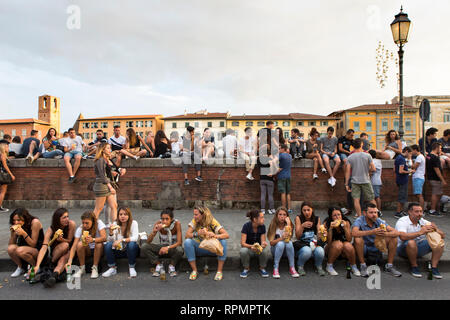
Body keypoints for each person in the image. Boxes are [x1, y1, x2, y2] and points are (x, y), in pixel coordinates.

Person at [395, 202, 445, 278]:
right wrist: (420, 232)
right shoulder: (402, 221)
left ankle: (433, 267)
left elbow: (443, 236)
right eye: (417, 211)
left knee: (439, 242)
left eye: (421, 211)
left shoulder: (423, 221)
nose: (420, 214)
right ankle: (414, 267)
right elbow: (403, 237)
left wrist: (436, 229)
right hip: (402, 249)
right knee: (411, 242)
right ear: (410, 212)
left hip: (417, 248)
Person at [352, 203, 401, 277]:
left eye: (375, 212)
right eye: (371, 212)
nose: (374, 215)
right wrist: (372, 232)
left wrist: (385, 234)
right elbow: (354, 233)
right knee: (357, 239)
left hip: (377, 246)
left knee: (393, 238)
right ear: (365, 213)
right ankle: (363, 266)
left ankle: (389, 266)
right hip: (364, 248)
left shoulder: (379, 220)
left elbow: (396, 232)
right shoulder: (359, 220)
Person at [33, 208, 76, 287]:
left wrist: (62, 239)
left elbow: (69, 241)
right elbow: (44, 247)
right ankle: (52, 263)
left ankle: (53, 276)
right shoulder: (51, 229)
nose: (67, 219)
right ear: (57, 219)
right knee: (64, 246)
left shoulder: (71, 224)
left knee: (63, 259)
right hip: (56, 253)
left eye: (67, 216)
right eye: (64, 217)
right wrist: (37, 265)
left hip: (69, 251)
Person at [184, 206, 229, 281]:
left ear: (203, 215)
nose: (194, 216)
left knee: (223, 241)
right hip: (200, 248)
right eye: (194, 214)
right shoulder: (195, 221)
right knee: (187, 242)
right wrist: (197, 234)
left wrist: (215, 235)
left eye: (196, 214)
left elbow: (226, 235)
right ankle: (194, 271)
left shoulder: (212, 221)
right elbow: (187, 235)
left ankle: (219, 271)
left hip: (213, 249)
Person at [141, 207, 184, 278]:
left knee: (180, 250)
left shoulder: (177, 224)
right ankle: (158, 265)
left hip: (172, 248)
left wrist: (167, 247)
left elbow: (179, 242)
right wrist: (154, 232)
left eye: (167, 219)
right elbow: (148, 242)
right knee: (144, 247)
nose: (164, 221)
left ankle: (172, 266)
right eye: (163, 219)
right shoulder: (158, 223)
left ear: (171, 219)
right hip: (161, 248)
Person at [66, 210, 107, 279]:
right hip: (88, 250)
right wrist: (69, 261)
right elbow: (74, 246)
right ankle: (82, 268)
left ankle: (95, 268)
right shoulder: (80, 228)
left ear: (93, 221)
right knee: (79, 244)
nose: (84, 225)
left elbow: (104, 238)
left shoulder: (99, 223)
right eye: (83, 223)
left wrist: (93, 240)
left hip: (99, 250)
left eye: (87, 223)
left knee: (98, 244)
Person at [102, 207, 140, 278]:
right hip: (119, 250)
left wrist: (122, 240)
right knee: (108, 245)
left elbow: (135, 238)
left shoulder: (134, 223)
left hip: (131, 250)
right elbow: (110, 240)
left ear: (129, 215)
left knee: (131, 244)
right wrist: (110, 233)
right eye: (121, 214)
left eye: (125, 214)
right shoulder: (115, 223)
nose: (123, 216)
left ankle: (131, 267)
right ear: (118, 216)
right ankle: (112, 268)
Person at [323, 206, 360, 276]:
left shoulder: (346, 222)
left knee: (348, 245)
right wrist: (330, 229)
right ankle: (329, 266)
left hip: (344, 249)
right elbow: (328, 242)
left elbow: (349, 239)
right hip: (331, 248)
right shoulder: (327, 223)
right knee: (338, 244)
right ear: (331, 217)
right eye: (334, 215)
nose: (337, 217)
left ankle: (353, 266)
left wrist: (345, 228)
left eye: (339, 215)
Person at [7, 208, 44, 278]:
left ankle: (35, 267)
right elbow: (11, 245)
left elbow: (33, 244)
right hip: (24, 248)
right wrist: (13, 234)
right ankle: (21, 268)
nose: (16, 223)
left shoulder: (35, 222)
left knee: (20, 250)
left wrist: (24, 233)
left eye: (18, 220)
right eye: (14, 220)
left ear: (25, 218)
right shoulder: (17, 225)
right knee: (10, 249)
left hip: (38, 249)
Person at [345, 138, 377, 218]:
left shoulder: (350, 157)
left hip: (354, 181)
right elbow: (373, 169)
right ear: (361, 144)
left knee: (356, 200)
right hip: (366, 180)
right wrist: (368, 168)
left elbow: (348, 172)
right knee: (371, 199)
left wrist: (346, 184)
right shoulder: (367, 155)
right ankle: (374, 215)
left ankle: (359, 217)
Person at [294, 202, 325, 276]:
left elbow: (318, 236)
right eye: (304, 210)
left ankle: (318, 266)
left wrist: (322, 233)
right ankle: (300, 266)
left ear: (312, 210)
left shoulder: (317, 219)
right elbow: (298, 236)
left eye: (308, 210)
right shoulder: (299, 218)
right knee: (307, 251)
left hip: (313, 243)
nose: (306, 212)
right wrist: (302, 226)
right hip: (301, 244)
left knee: (320, 251)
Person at [268, 207, 299, 278]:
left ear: (287, 216)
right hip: (275, 249)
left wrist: (288, 224)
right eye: (280, 214)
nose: (282, 217)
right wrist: (281, 238)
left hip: (286, 251)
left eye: (284, 215)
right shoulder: (273, 225)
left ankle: (292, 268)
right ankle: (275, 268)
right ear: (276, 215)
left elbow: (289, 238)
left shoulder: (288, 225)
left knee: (289, 243)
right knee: (281, 243)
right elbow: (271, 243)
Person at [239, 209, 270, 278]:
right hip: (249, 249)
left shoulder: (262, 227)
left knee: (265, 250)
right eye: (261, 217)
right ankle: (246, 268)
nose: (264, 219)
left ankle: (262, 268)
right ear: (255, 219)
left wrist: (263, 244)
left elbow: (263, 241)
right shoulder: (246, 226)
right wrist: (251, 246)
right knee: (243, 251)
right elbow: (243, 243)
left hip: (258, 250)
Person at [92, 143, 118, 222]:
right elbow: (102, 176)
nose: (110, 150)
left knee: (114, 206)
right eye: (108, 148)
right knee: (98, 208)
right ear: (102, 150)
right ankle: (91, 227)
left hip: (105, 185)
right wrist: (110, 187)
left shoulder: (105, 160)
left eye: (110, 148)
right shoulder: (100, 160)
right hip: (101, 186)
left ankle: (114, 227)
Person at [426, 142, 447, 217]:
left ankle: (433, 209)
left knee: (435, 193)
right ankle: (433, 210)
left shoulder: (428, 156)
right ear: (437, 148)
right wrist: (442, 180)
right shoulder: (435, 158)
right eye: (440, 148)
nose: (441, 150)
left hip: (431, 177)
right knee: (435, 194)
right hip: (436, 178)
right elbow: (437, 170)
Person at [394, 147, 413, 219]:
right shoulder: (402, 159)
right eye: (410, 153)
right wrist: (409, 171)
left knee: (402, 195)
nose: (410, 155)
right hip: (403, 179)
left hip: (399, 179)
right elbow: (401, 171)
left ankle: (401, 211)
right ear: (407, 151)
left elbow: (395, 169)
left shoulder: (398, 157)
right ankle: (398, 212)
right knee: (402, 196)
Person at [258, 144, 276, 215]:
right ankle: (271, 209)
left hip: (262, 177)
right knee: (270, 195)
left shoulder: (259, 158)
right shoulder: (270, 158)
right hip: (269, 178)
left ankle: (262, 209)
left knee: (263, 194)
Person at [276, 144, 292, 213]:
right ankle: (289, 209)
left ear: (283, 149)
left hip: (281, 176)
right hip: (288, 175)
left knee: (283, 193)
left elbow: (274, 161)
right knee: (288, 193)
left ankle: (283, 208)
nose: (279, 150)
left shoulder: (281, 155)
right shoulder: (290, 156)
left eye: (279, 149)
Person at [0, 141, 15, 212]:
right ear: (4, 147)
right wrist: (11, 174)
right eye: (7, 146)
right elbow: (5, 166)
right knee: (3, 191)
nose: (8, 148)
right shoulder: (2, 155)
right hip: (3, 175)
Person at [411, 145, 426, 210]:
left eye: (411, 150)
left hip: (418, 177)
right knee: (417, 194)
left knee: (419, 195)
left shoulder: (419, 157)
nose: (411, 152)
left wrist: (410, 159)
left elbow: (414, 166)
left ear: (415, 150)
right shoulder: (420, 156)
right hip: (418, 177)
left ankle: (421, 210)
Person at [369, 150, 382, 214]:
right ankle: (377, 210)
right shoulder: (378, 161)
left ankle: (378, 210)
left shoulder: (373, 162)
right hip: (377, 180)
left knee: (375, 196)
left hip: (374, 181)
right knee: (376, 196)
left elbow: (372, 170)